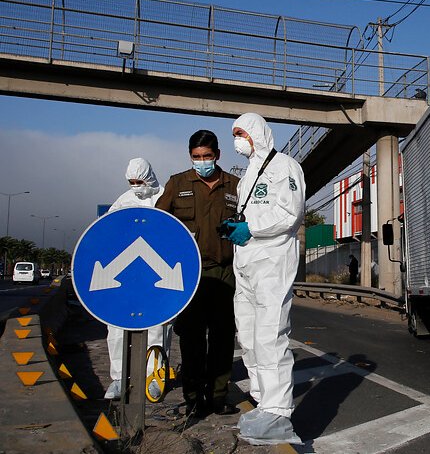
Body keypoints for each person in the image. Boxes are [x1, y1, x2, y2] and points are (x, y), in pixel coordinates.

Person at [225, 112, 305, 445]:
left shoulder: (284, 166)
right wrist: (236, 229)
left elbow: (290, 213)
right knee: (249, 333)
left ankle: (278, 410)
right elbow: (250, 213)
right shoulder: (247, 176)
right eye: (235, 133)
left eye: (241, 133)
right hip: (246, 261)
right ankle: (262, 400)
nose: (237, 140)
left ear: (257, 133)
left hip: (272, 259)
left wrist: (252, 229)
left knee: (271, 334)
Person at [155, 130, 241, 417]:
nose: (201, 162)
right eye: (196, 157)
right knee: (191, 339)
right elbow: (160, 224)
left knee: (222, 338)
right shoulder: (177, 183)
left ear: (217, 155)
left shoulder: (236, 186)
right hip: (189, 274)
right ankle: (193, 399)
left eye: (206, 156)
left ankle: (217, 397)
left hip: (225, 273)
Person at [104, 158, 172, 400]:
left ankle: (154, 377)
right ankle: (119, 379)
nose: (136, 186)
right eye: (131, 182)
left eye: (140, 181)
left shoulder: (165, 197)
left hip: (159, 274)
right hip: (128, 274)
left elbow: (175, 232)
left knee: (158, 328)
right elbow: (109, 231)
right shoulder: (123, 201)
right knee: (116, 326)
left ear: (150, 177)